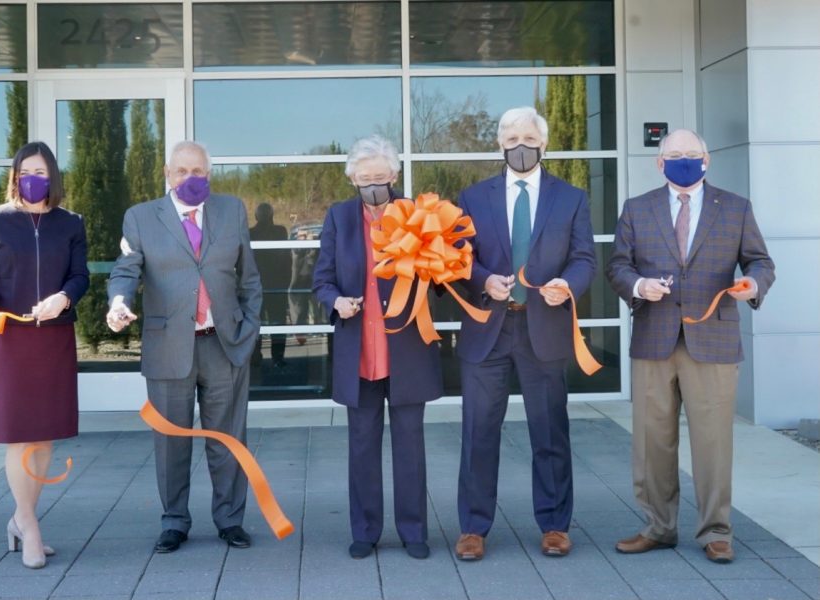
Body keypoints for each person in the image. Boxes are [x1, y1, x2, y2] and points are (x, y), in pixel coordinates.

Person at [606, 129, 775, 563]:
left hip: (713, 340)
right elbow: (618, 266)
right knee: (652, 443)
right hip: (654, 339)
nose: (684, 160)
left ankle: (716, 531)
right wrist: (639, 286)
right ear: (659, 163)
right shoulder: (637, 208)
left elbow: (760, 261)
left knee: (712, 442)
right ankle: (657, 528)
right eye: (675, 154)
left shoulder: (735, 208)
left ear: (707, 159)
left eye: (691, 153)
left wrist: (753, 283)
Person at [453, 107, 596, 561]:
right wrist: (482, 280)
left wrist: (567, 284)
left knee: (549, 431)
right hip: (488, 329)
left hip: (544, 328)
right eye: (512, 139)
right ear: (499, 144)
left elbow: (584, 258)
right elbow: (458, 258)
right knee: (478, 431)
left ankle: (555, 525)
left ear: (544, 145)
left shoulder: (571, 198)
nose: (521, 146)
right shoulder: (473, 197)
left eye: (530, 139)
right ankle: (473, 527)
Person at [106, 141, 262, 554]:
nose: (190, 179)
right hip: (168, 348)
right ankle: (174, 521)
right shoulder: (140, 217)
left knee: (228, 439)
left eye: (198, 172)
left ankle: (230, 520)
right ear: (167, 174)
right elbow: (126, 269)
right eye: (181, 171)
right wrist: (118, 302)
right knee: (170, 441)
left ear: (208, 174)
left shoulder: (231, 210)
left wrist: (248, 328)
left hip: (224, 345)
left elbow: (249, 277)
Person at [313, 135, 442, 560]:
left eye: (380, 177)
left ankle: (414, 531)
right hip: (360, 352)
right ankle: (365, 531)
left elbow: (440, 274)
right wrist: (336, 302)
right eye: (365, 178)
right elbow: (322, 279)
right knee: (362, 447)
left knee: (410, 448)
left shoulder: (418, 215)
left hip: (406, 350)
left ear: (395, 175)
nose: (373, 185)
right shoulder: (339, 218)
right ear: (352, 178)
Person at [0, 141, 89, 569]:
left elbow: (80, 276)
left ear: (52, 176)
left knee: (44, 437)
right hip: (12, 341)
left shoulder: (70, 223)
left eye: (40, 172)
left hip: (54, 339)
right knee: (20, 436)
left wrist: (63, 298)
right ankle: (29, 524)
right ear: (15, 177)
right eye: (25, 173)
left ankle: (22, 519)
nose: (32, 180)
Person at [250, 202, 291, 368]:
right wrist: (286, 282)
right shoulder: (280, 232)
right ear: (272, 215)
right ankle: (277, 357)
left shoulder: (250, 233)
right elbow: (287, 259)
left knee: (255, 323)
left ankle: (255, 356)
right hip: (275, 285)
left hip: (256, 286)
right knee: (278, 322)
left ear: (256, 217)